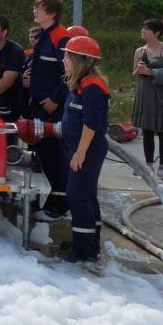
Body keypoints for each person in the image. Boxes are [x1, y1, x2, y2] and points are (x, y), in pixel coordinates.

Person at [58, 36, 110, 262]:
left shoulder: (93, 88)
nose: (64, 60)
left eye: (67, 56)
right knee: (86, 196)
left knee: (78, 197)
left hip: (87, 150)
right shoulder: (81, 84)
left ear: (79, 60)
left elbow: (91, 123)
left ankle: (84, 252)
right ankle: (87, 243)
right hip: (79, 148)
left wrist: (80, 153)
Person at [29, 0, 70, 221]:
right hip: (40, 105)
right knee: (45, 155)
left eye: (40, 8)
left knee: (55, 157)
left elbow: (69, 74)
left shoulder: (60, 37)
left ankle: (60, 206)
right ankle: (55, 201)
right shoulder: (45, 35)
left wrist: (55, 99)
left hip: (52, 108)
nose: (35, 11)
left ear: (52, 13)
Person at [131, 18, 163, 181]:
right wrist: (139, 70)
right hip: (145, 95)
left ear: (157, 33)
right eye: (143, 28)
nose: (143, 30)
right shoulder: (139, 51)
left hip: (162, 96)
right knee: (147, 130)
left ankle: (162, 166)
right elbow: (134, 73)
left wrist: (153, 72)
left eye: (147, 28)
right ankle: (148, 165)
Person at [21, 24, 42, 119]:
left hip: (40, 96)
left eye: (36, 37)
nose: (33, 39)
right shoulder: (26, 54)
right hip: (25, 94)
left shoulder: (49, 55)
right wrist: (21, 77)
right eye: (31, 37)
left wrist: (33, 82)